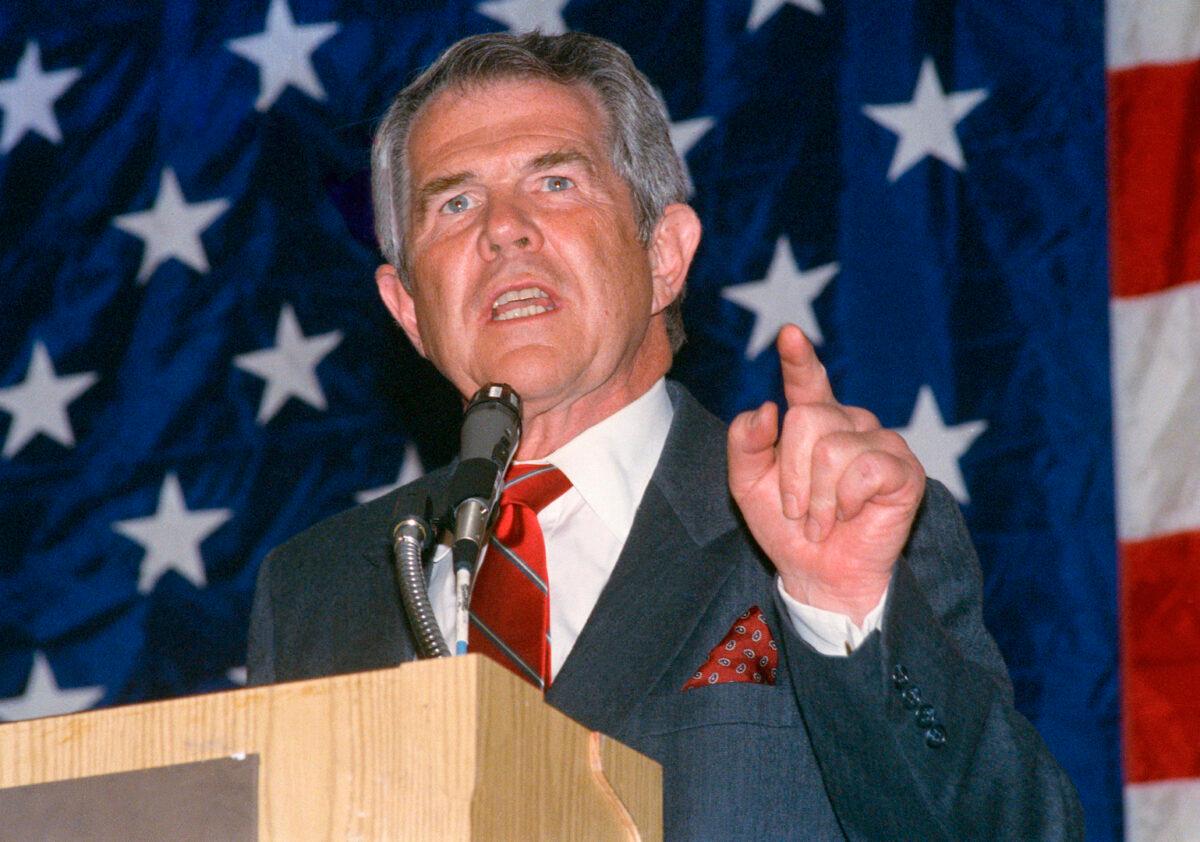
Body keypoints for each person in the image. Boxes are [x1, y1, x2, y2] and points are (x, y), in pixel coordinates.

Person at [248, 31, 1083, 839]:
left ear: (665, 256)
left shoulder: (827, 524)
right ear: (407, 310)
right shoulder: (316, 590)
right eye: (457, 202)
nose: (502, 229)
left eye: (556, 183)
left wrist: (843, 612)